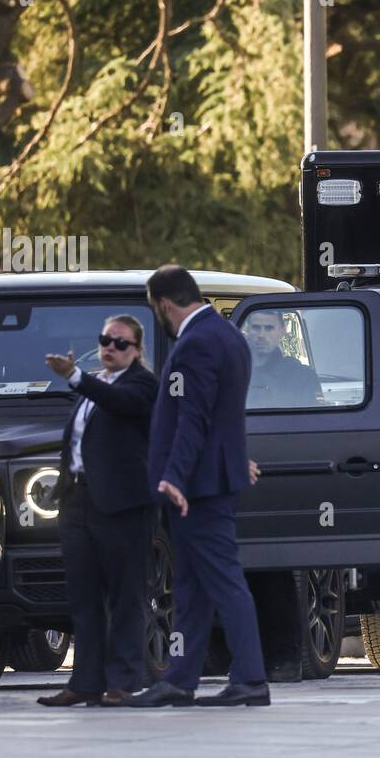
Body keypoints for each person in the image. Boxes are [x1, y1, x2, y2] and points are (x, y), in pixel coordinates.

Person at [126, 265, 269, 708]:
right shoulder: (229, 337)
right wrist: (233, 458)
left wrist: (174, 476)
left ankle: (250, 677)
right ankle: (181, 677)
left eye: (159, 312)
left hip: (197, 489)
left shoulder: (195, 343)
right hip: (211, 479)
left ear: (163, 304)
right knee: (190, 588)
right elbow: (226, 413)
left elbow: (194, 417)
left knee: (224, 580)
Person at [38, 315, 158, 708]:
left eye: (121, 343)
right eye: (106, 339)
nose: (110, 347)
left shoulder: (141, 384)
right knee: (83, 596)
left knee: (126, 595)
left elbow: (123, 405)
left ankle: (123, 681)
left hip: (122, 505)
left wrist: (75, 376)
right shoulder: (94, 384)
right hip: (78, 501)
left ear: (137, 351)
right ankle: (85, 681)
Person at [243, 308, 323, 408]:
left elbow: (315, 418)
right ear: (248, 331)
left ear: (282, 331)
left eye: (269, 328)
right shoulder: (236, 372)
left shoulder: (302, 376)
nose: (261, 335)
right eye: (256, 328)